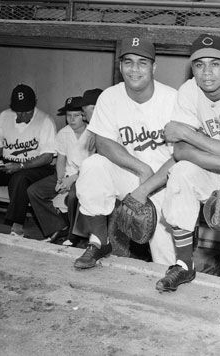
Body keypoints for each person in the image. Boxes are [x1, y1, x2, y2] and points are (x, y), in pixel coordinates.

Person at [155, 33, 220, 292]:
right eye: (199, 65)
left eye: (214, 64)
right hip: (217, 170)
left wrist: (189, 134)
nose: (206, 72)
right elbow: (180, 151)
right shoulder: (189, 90)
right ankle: (183, 264)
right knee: (180, 173)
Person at [73, 37, 176, 270]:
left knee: (167, 263)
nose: (134, 69)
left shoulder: (173, 99)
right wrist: (141, 169)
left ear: (154, 68)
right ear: (120, 67)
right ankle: (99, 241)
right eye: (128, 62)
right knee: (93, 166)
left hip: (167, 182)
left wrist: (148, 185)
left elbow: (181, 156)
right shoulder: (110, 97)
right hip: (131, 175)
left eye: (142, 63)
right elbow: (103, 142)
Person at [0, 84, 56, 236]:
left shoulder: (45, 121)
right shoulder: (4, 116)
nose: (21, 116)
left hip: (37, 165)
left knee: (19, 178)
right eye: (18, 111)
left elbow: (47, 157)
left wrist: (20, 165)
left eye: (26, 112)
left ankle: (17, 226)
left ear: (35, 104)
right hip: (9, 162)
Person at [28, 96, 94, 244]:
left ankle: (74, 234)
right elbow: (61, 160)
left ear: (83, 115)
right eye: (68, 115)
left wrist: (71, 180)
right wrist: (60, 179)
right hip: (67, 174)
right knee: (34, 191)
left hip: (86, 176)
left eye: (76, 115)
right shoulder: (64, 133)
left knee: (72, 196)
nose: (71, 119)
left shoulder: (92, 133)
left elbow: (93, 164)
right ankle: (58, 226)